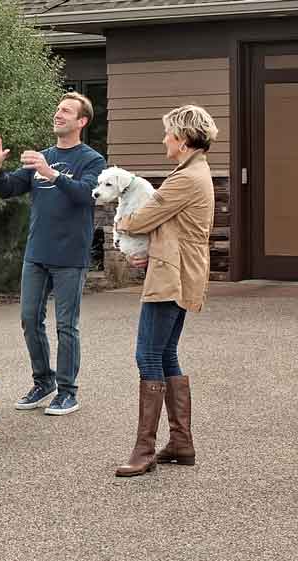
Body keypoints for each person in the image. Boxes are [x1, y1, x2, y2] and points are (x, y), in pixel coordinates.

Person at [0, 92, 106, 415]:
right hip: (37, 253)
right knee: (29, 319)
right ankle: (43, 381)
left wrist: (51, 173)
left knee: (66, 326)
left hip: (70, 256)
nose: (58, 114)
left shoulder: (92, 160)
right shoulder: (42, 156)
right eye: (58, 109)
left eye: (66, 111)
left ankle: (67, 392)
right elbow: (8, 189)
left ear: (82, 121)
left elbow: (86, 195)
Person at [113, 105, 217, 477]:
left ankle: (144, 450)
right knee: (166, 352)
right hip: (181, 273)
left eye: (168, 133)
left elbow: (141, 218)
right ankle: (181, 442)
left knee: (147, 355)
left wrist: (123, 222)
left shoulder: (185, 179)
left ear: (184, 139)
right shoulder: (193, 172)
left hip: (171, 277)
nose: (164, 140)